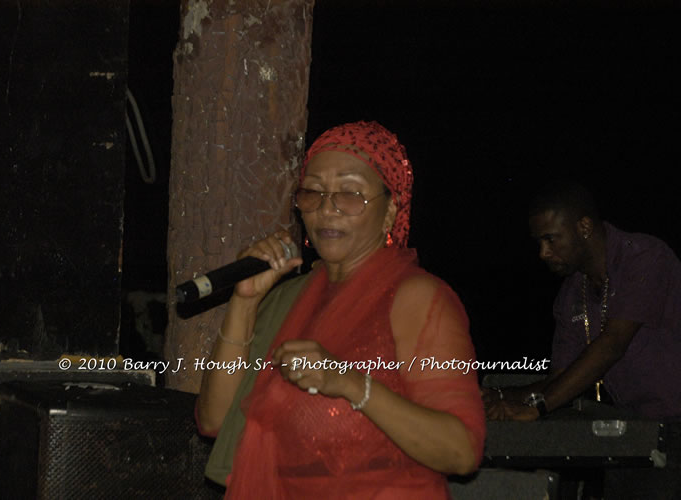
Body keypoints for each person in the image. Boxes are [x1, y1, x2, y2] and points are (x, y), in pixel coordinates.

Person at [195, 121, 485, 499]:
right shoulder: (289, 300)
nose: (327, 209)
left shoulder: (417, 298)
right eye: (313, 192)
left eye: (350, 194)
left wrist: (350, 384)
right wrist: (245, 302)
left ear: (389, 210)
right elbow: (213, 420)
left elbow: (461, 451)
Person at [484, 181, 681, 422]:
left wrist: (538, 408)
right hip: (645, 427)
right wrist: (502, 397)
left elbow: (613, 343)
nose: (543, 252)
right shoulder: (571, 293)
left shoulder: (644, 257)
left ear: (584, 227)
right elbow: (561, 377)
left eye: (551, 239)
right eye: (539, 242)